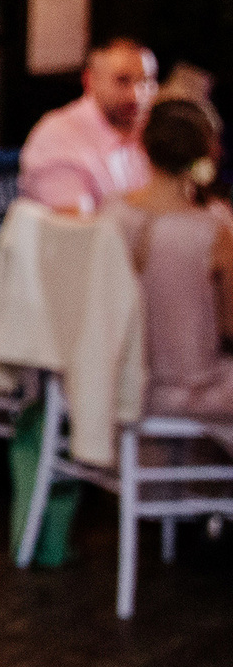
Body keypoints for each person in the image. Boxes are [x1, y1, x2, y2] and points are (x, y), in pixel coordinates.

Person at [103, 98, 233, 432]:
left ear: (143, 144)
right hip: (190, 393)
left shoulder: (111, 215)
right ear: (209, 152)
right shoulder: (214, 228)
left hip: (116, 387)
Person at [18, 38, 156, 215]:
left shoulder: (151, 130)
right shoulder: (57, 136)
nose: (136, 95)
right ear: (90, 81)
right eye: (122, 80)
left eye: (146, 81)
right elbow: (77, 232)